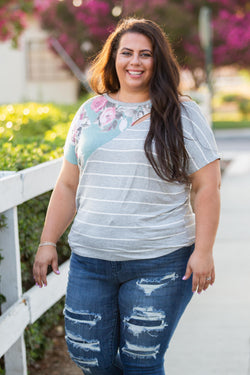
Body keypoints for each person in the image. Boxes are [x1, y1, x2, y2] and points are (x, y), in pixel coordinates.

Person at [33, 17, 221, 375]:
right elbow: (69, 184)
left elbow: (207, 186)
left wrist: (204, 250)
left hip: (161, 261)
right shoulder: (89, 113)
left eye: (145, 54)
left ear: (158, 61)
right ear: (113, 58)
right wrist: (47, 241)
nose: (135, 62)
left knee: (140, 362)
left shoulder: (182, 113)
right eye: (127, 53)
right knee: (90, 358)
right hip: (91, 260)